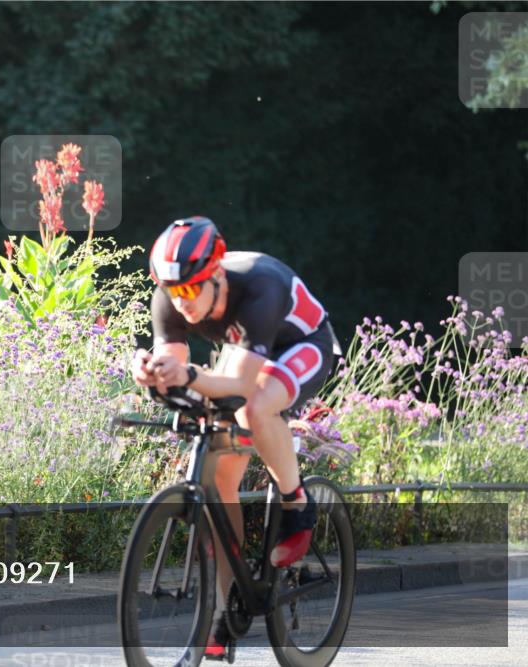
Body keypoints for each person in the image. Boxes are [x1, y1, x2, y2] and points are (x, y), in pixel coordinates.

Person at [130, 216, 341, 661]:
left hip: (302, 344)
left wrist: (189, 375)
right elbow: (176, 371)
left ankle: (296, 502)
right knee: (220, 475)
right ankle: (228, 609)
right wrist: (151, 374)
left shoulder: (259, 289)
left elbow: (243, 387)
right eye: (173, 292)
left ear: (216, 275)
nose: (181, 302)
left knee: (256, 406)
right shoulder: (171, 296)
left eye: (191, 289)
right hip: (248, 348)